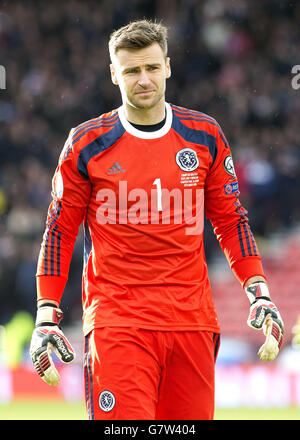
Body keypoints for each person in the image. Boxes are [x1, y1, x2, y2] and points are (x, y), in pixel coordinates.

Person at [29, 19, 284, 420]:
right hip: (118, 323)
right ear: (115, 74)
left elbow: (231, 218)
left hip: (192, 322)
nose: (143, 79)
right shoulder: (86, 143)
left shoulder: (205, 135)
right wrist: (47, 311)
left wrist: (259, 289)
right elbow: (60, 230)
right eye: (131, 70)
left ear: (167, 66)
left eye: (151, 67)